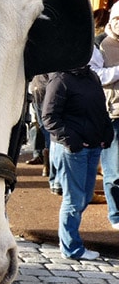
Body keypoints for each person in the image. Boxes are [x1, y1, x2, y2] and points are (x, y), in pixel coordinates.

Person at [42, 65, 114, 261]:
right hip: (73, 150)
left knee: (83, 198)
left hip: (92, 146)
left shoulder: (91, 76)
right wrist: (72, 141)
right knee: (74, 200)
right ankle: (71, 247)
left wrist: (106, 133)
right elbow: (49, 117)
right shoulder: (60, 79)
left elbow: (101, 110)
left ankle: (69, 241)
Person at [90, 2, 119, 230]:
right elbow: (95, 76)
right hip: (113, 115)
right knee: (114, 170)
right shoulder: (99, 44)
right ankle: (116, 215)